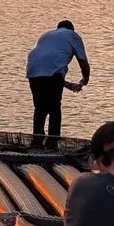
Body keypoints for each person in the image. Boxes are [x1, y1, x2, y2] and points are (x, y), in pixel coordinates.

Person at [25, 20, 90, 148]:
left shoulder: (46, 36)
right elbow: (83, 61)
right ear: (71, 29)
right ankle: (52, 143)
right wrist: (85, 78)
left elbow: (47, 69)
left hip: (33, 70)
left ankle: (37, 141)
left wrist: (65, 83)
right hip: (51, 73)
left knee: (40, 108)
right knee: (54, 108)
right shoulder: (72, 35)